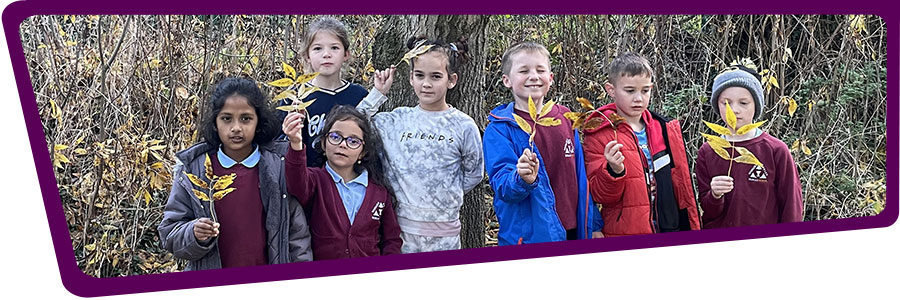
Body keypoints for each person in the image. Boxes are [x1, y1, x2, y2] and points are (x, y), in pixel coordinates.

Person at [159, 77, 312, 270]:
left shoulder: (278, 166)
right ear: (215, 123)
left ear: (258, 122)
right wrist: (194, 233)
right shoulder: (195, 169)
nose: (236, 127)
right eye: (226, 118)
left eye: (246, 118)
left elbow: (297, 236)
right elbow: (170, 232)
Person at [356, 37, 484, 253]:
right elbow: (354, 122)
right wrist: (378, 93)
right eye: (419, 75)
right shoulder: (395, 121)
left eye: (435, 76)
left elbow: (474, 173)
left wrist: (444, 193)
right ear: (410, 79)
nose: (426, 83)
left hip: (446, 236)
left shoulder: (464, 125)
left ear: (451, 80)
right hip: (400, 234)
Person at [483, 42, 602, 245]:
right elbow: (503, 186)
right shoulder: (500, 129)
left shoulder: (565, 117)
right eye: (523, 70)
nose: (534, 76)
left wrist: (594, 225)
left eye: (540, 70)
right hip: (530, 236)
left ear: (550, 78)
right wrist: (522, 179)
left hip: (575, 229)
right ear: (506, 80)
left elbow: (581, 176)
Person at [583, 52, 700, 237]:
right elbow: (599, 195)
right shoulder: (598, 133)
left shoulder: (663, 128)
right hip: (624, 233)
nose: (638, 98)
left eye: (645, 91)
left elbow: (681, 185)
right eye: (630, 91)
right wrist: (614, 170)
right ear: (611, 89)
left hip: (667, 227)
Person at [282, 105, 401, 259]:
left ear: (362, 152)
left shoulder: (379, 192)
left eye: (353, 141)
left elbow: (391, 239)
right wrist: (296, 143)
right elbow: (296, 183)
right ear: (324, 143)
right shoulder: (314, 180)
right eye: (335, 137)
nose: (343, 144)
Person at [695, 64, 803, 228]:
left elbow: (791, 206)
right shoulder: (708, 151)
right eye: (726, 103)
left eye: (743, 103)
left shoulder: (775, 150)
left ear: (756, 106)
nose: (734, 110)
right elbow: (707, 211)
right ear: (717, 105)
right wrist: (715, 195)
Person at [276, 17, 393, 167]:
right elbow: (278, 148)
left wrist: (379, 93)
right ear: (307, 56)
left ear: (346, 54)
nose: (326, 54)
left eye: (334, 48)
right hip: (307, 181)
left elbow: (369, 144)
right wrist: (290, 132)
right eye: (318, 48)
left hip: (348, 181)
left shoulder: (358, 95)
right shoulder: (294, 96)